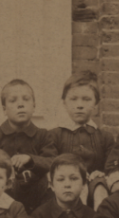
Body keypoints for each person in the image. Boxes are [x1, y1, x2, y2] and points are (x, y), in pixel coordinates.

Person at [42, 71, 114, 207]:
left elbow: (111, 167)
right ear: (64, 103)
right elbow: (50, 164)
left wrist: (102, 173)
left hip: (96, 186)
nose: (80, 105)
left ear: (96, 105)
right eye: (73, 99)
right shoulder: (54, 135)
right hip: (66, 186)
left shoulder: (105, 137)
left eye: (86, 99)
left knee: (100, 190)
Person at [0, 78, 51, 212]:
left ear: (34, 106)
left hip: (37, 202)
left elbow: (52, 161)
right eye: (13, 101)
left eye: (26, 99)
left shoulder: (43, 135)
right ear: (4, 109)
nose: (20, 105)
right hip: (4, 201)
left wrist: (30, 159)